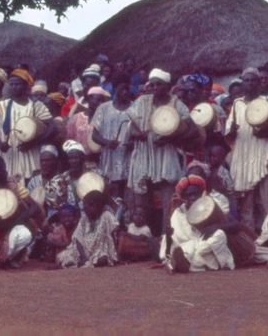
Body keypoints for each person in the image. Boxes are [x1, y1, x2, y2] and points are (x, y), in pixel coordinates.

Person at [226, 67, 268, 231]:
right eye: (247, 80)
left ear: (260, 83)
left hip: (266, 155)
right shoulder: (237, 104)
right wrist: (231, 131)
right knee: (246, 207)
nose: (250, 83)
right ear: (243, 83)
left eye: (254, 80)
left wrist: (267, 131)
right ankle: (249, 242)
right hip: (243, 158)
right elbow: (229, 134)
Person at [126, 69, 190, 222]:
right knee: (141, 200)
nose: (154, 88)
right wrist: (138, 134)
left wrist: (170, 138)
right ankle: (142, 235)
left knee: (170, 200)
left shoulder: (177, 104)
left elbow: (189, 128)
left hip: (166, 154)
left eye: (158, 84)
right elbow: (131, 122)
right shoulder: (142, 101)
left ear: (167, 86)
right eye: (152, 84)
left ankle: (166, 236)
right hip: (144, 154)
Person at [161, 173, 241, 273]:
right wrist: (169, 236)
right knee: (188, 250)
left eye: (196, 194)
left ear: (201, 194)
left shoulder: (210, 204)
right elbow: (177, 240)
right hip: (190, 247)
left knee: (219, 236)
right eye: (190, 195)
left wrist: (216, 226)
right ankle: (188, 263)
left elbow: (236, 225)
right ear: (184, 198)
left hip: (209, 246)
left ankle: (188, 264)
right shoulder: (178, 213)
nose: (193, 198)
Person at [0, 69, 52, 182]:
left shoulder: (36, 106)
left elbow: (53, 128)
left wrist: (33, 143)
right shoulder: (2, 106)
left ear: (26, 85)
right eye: (12, 84)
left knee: (31, 184)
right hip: (8, 157)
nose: (14, 87)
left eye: (18, 84)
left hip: (30, 156)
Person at [91, 73, 134, 202]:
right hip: (109, 162)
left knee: (128, 198)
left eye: (127, 88)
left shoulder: (136, 108)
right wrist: (107, 142)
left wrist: (134, 143)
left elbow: (142, 133)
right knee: (112, 197)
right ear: (114, 89)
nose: (125, 92)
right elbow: (94, 135)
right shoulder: (103, 109)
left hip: (130, 161)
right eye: (121, 89)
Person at [56, 188, 118, 268]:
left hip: (101, 249)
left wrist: (116, 252)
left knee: (102, 259)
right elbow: (77, 238)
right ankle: (84, 263)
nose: (84, 209)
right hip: (83, 251)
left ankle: (82, 264)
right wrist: (82, 256)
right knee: (62, 257)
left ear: (96, 206)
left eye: (86, 207)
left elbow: (114, 233)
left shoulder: (106, 216)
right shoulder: (84, 219)